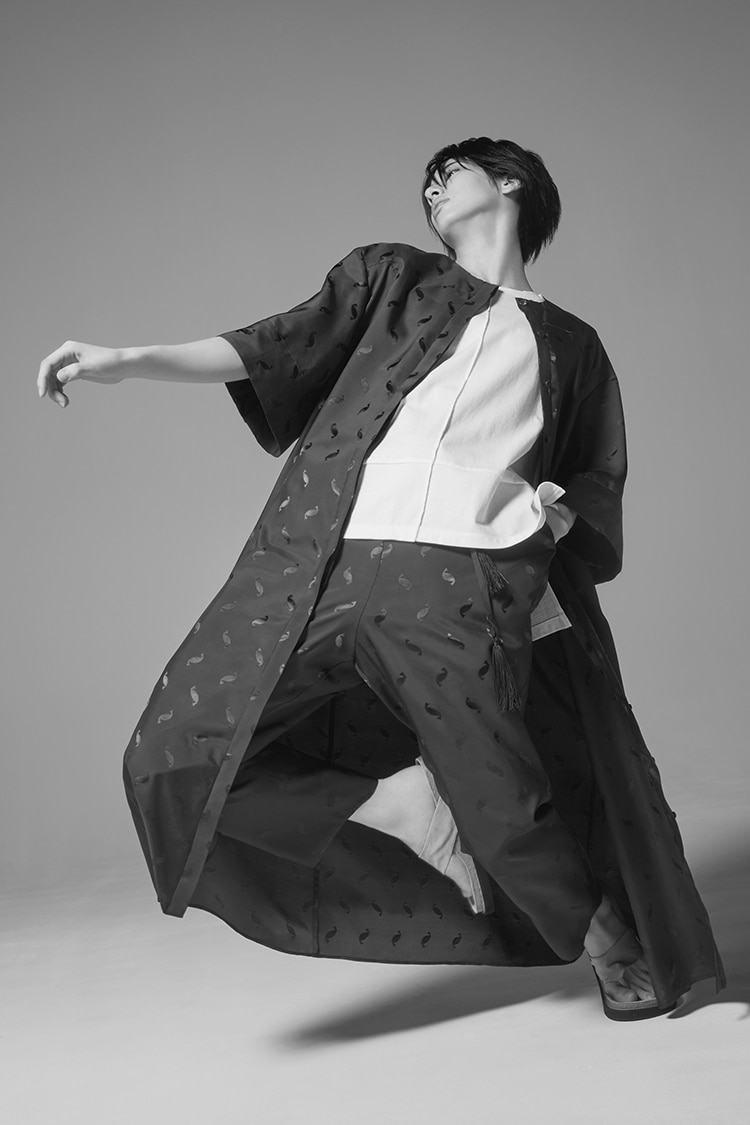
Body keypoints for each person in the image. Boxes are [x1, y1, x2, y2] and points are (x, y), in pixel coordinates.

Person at [38, 137, 724, 1022]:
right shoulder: (396, 279)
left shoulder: (572, 345)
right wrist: (126, 359)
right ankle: (399, 802)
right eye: (426, 184)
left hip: (459, 583)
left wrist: (553, 515)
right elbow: (273, 345)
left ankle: (609, 942)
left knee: (502, 803)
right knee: (172, 756)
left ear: (510, 182)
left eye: (452, 172)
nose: (433, 188)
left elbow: (596, 480)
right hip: (326, 565)